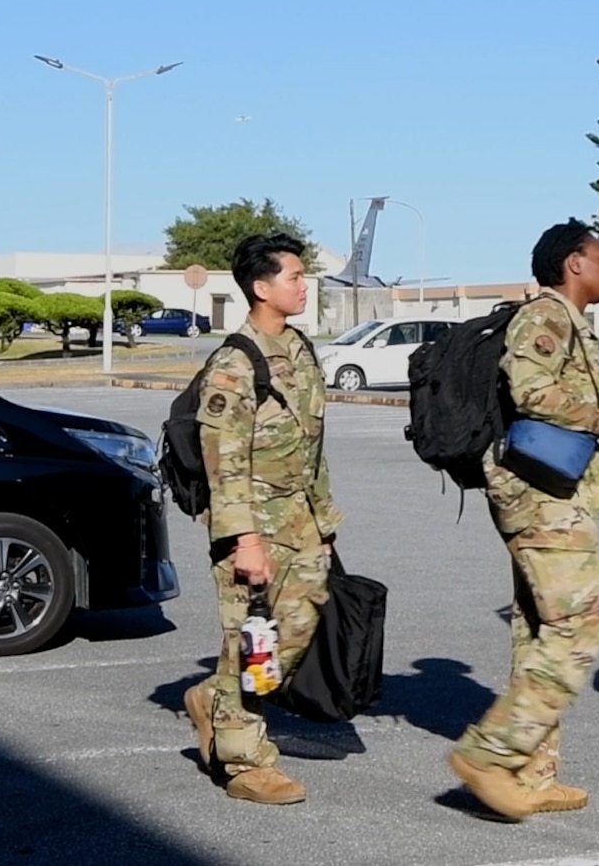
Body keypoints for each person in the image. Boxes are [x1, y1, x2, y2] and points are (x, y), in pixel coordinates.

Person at [449, 219, 599, 821]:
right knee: (582, 623)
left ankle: (531, 774)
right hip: (535, 496)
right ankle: (491, 755)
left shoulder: (568, 323)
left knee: (539, 628)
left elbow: (559, 437)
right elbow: (529, 392)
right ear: (572, 264)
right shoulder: (545, 318)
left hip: (554, 488)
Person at [181, 233, 342, 805]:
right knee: (250, 641)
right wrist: (244, 539)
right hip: (250, 525)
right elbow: (223, 463)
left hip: (301, 520)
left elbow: (311, 446)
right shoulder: (233, 362)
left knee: (293, 632)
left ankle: (213, 699)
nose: (304, 286)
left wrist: (323, 523)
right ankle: (244, 760)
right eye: (294, 277)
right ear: (261, 287)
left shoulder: (300, 348)